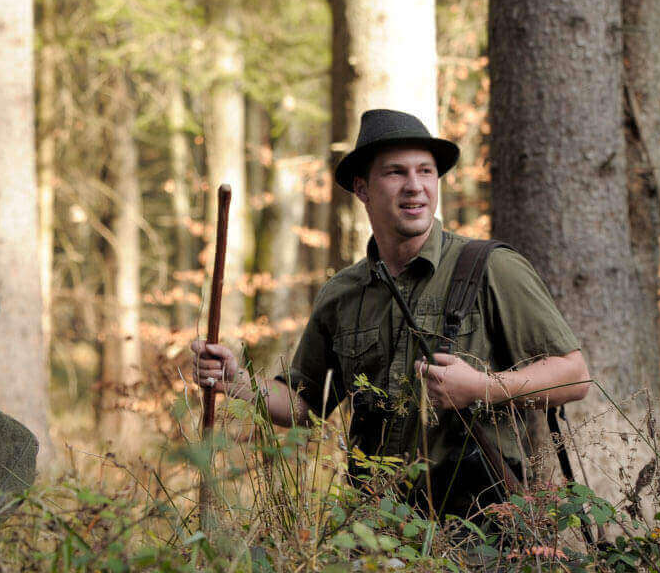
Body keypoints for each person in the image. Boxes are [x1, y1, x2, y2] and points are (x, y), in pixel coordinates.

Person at [191, 108, 590, 519]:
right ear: (362, 189)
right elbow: (305, 406)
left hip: (482, 528)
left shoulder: (491, 268)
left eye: (426, 172)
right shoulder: (342, 294)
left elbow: (575, 376)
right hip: (377, 528)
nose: (415, 187)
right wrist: (235, 380)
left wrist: (480, 387)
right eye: (396, 173)